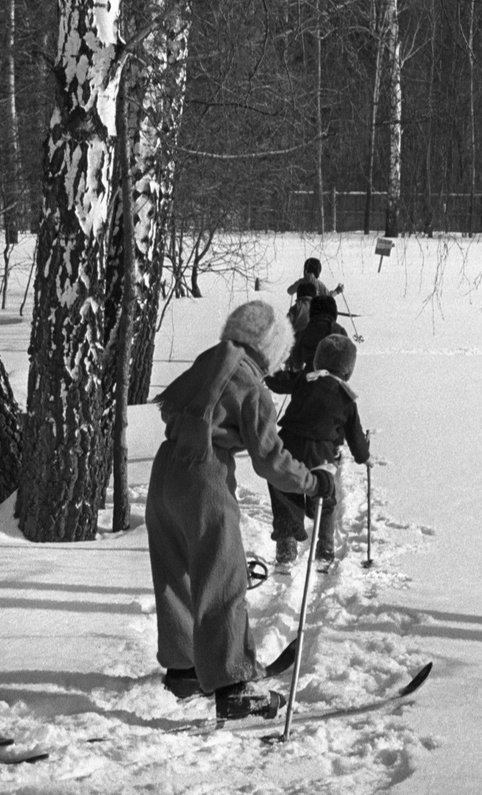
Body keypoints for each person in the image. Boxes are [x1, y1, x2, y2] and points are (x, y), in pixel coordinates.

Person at [147, 300, 335, 720]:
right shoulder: (251, 385)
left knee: (174, 571)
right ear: (269, 348)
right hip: (202, 479)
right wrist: (312, 481)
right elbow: (270, 459)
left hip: (164, 473)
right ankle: (232, 684)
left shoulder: (208, 363)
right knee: (222, 577)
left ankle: (184, 668)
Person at [265, 334, 371, 565]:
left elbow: (279, 381)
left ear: (318, 360)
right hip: (320, 456)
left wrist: (268, 368)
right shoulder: (346, 399)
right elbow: (354, 435)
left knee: (283, 489)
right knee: (326, 495)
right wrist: (364, 457)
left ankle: (286, 543)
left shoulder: (305, 379)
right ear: (347, 370)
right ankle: (325, 547)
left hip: (288, 448)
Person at [286, 293, 348, 372]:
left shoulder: (304, 331)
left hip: (310, 374)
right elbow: (347, 357)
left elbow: (296, 358)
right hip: (333, 377)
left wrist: (298, 369)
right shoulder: (340, 331)